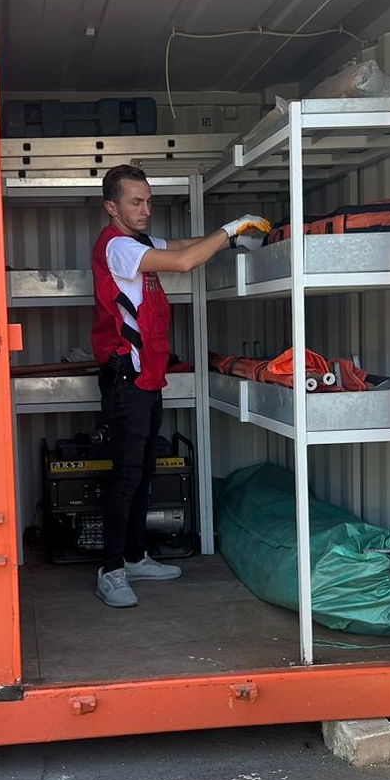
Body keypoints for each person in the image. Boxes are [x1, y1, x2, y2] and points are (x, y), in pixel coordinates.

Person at [91, 164, 270, 607]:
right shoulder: (117, 248)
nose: (146, 209)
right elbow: (185, 262)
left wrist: (230, 238)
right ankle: (110, 569)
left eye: (148, 200)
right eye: (135, 201)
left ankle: (135, 557)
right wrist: (231, 230)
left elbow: (184, 246)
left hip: (148, 377)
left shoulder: (138, 243)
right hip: (126, 380)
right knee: (126, 476)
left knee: (144, 472)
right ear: (111, 207)